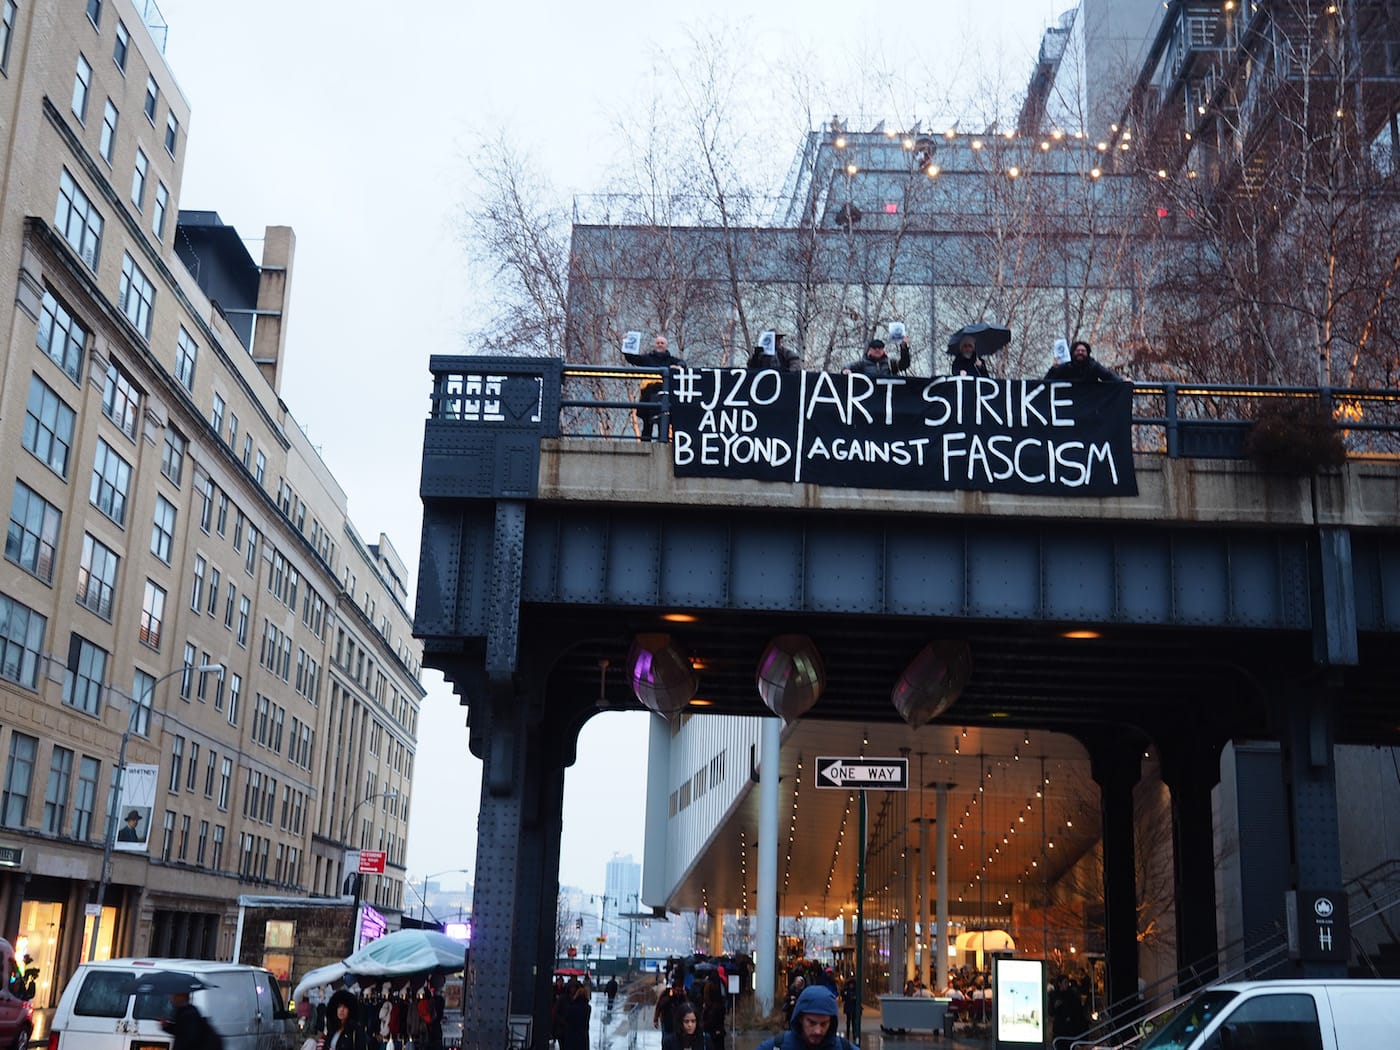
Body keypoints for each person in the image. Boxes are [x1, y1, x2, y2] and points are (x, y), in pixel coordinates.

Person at [757, 986, 853, 1050]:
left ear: (831, 1022)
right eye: (812, 1023)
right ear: (800, 1018)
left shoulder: (844, 1048)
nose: (818, 1031)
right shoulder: (777, 1047)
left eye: (824, 1024)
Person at [630, 334, 684, 441]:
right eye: (658, 343)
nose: (660, 345)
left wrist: (679, 366)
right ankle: (645, 445)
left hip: (663, 394)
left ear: (666, 346)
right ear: (654, 345)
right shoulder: (647, 358)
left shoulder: (671, 360)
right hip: (648, 394)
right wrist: (627, 344)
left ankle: (662, 443)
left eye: (662, 343)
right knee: (647, 423)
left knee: (663, 422)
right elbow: (633, 359)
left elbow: (682, 363)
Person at [1044, 340, 1122, 383]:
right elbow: (1046, 382)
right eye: (1078, 350)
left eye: (1083, 351)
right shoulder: (1066, 367)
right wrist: (1054, 368)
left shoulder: (1093, 366)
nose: (1080, 352)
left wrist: (1123, 382)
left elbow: (1108, 376)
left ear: (1087, 353)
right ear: (1073, 353)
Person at [843, 337, 911, 378]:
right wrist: (846, 370)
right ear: (870, 350)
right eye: (874, 348)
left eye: (880, 348)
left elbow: (904, 365)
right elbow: (848, 367)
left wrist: (904, 347)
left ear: (883, 350)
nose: (877, 350)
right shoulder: (863, 363)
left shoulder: (890, 363)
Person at [561, 984, 591, 1050]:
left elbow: (566, 1018)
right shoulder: (588, 1008)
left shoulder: (571, 1008)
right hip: (583, 1037)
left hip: (571, 1036)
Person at [840, 977, 860, 1042]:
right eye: (850, 984)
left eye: (852, 984)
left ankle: (854, 1034)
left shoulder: (855, 991)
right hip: (849, 1007)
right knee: (848, 1021)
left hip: (853, 1007)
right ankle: (848, 1035)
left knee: (854, 1022)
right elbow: (844, 998)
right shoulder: (846, 990)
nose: (851, 986)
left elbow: (857, 998)